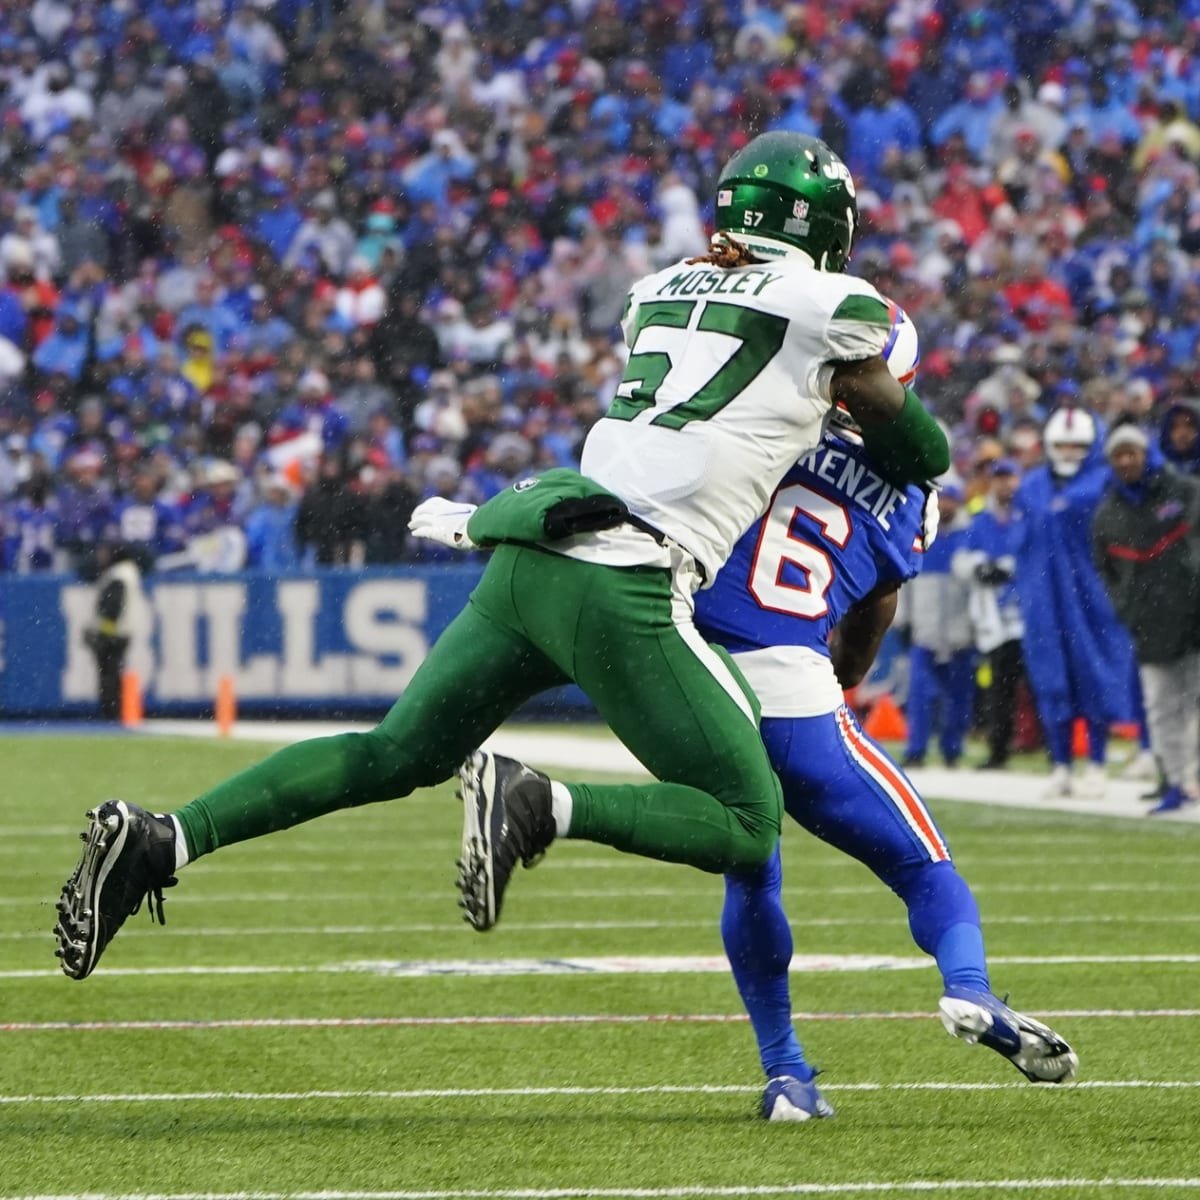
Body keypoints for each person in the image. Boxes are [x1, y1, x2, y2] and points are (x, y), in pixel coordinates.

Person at [54, 133, 950, 984]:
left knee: (393, 752)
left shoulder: (658, 288)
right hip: (627, 579)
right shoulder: (835, 305)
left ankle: (167, 837)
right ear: (824, 226)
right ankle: (539, 801)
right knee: (750, 822)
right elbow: (920, 446)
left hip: (535, 550)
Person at [692, 423, 1076, 1121]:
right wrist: (842, 678)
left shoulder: (765, 421)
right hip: (793, 683)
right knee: (925, 867)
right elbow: (877, 602)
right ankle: (969, 985)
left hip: (697, 682)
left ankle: (786, 1074)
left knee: (751, 872)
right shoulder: (914, 494)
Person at [1010, 406, 1138, 799]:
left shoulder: (1103, 482)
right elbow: (1023, 541)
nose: (1068, 451)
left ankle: (1096, 762)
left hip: (1090, 596)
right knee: (1051, 682)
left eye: (1076, 444)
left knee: (1094, 677)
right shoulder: (1032, 486)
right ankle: (1061, 764)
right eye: (1061, 444)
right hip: (1043, 598)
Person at [1092, 423, 1200, 815]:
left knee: (1194, 704)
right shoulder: (1108, 514)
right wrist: (1129, 608)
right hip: (1150, 626)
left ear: (1145, 453)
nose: (1125, 461)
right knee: (1161, 708)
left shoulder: (1182, 491)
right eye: (1118, 455)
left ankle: (1190, 778)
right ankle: (1175, 781)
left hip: (1193, 619)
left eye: (1131, 453)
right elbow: (1105, 570)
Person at [952, 458, 1027, 769]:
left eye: (1010, 477)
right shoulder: (980, 520)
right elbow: (961, 561)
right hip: (996, 618)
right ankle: (999, 751)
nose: (1004, 484)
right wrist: (980, 568)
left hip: (1028, 614)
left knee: (1042, 685)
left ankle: (1057, 750)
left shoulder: (1028, 515)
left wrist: (1010, 569)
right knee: (1000, 688)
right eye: (999, 478)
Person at [896, 480, 975, 768]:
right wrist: (903, 618)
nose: (947, 505)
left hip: (960, 631)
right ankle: (916, 749)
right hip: (925, 628)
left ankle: (952, 749)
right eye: (944, 500)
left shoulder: (968, 534)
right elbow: (906, 581)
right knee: (920, 694)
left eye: (952, 500)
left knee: (958, 696)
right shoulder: (920, 533)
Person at [83, 542, 149, 721]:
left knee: (109, 675)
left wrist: (101, 632)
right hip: (120, 632)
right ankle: (115, 711)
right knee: (113, 673)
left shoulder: (119, 576)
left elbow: (112, 609)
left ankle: (112, 713)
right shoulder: (128, 573)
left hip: (114, 634)